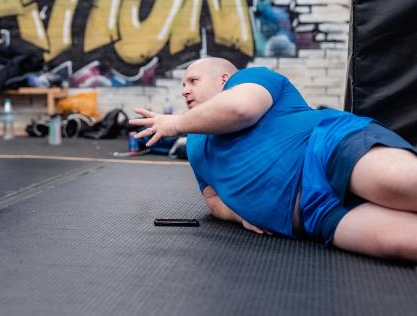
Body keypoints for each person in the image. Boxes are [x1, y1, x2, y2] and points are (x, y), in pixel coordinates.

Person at [130, 57, 417, 261]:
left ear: (224, 80)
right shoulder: (195, 142)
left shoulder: (252, 78)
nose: (184, 90)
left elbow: (241, 110)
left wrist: (176, 123)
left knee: (405, 186)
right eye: (183, 84)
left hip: (328, 149)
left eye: (193, 80)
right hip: (313, 214)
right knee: (402, 242)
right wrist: (242, 214)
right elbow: (214, 200)